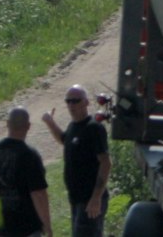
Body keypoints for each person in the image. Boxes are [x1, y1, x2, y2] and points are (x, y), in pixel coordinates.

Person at [42, 85, 111, 237]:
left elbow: (105, 163)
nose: (71, 105)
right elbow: (64, 140)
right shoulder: (73, 126)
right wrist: (50, 122)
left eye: (75, 101)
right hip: (77, 199)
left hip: (89, 200)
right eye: (68, 101)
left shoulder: (94, 128)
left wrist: (96, 198)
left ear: (86, 102)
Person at [0, 106, 51, 237]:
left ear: (7, 124)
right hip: (27, 227)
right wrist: (47, 225)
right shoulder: (30, 155)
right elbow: (38, 194)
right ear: (28, 126)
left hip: (2, 226)